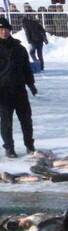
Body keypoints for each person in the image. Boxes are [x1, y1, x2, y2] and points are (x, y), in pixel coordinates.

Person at [0, 17, 36, 157]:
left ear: (10, 30)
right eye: (1, 29)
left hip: (19, 91)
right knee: (6, 122)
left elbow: (26, 68)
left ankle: (30, 145)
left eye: (6, 29)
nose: (3, 32)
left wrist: (31, 84)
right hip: (3, 92)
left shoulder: (19, 48)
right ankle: (9, 148)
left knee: (26, 120)